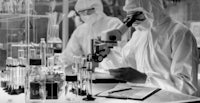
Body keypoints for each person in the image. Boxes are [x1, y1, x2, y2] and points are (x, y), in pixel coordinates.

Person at [106, 0, 199, 96]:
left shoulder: (179, 33)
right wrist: (108, 53)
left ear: (151, 9)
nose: (132, 20)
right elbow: (125, 66)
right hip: (142, 98)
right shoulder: (138, 35)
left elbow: (187, 87)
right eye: (129, 14)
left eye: (137, 14)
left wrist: (144, 79)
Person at [59, 0, 128, 70]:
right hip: (89, 76)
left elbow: (120, 57)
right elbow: (68, 57)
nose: (86, 14)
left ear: (98, 8)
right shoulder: (81, 30)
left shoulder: (114, 24)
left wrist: (96, 64)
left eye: (89, 11)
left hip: (113, 76)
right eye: (82, 12)